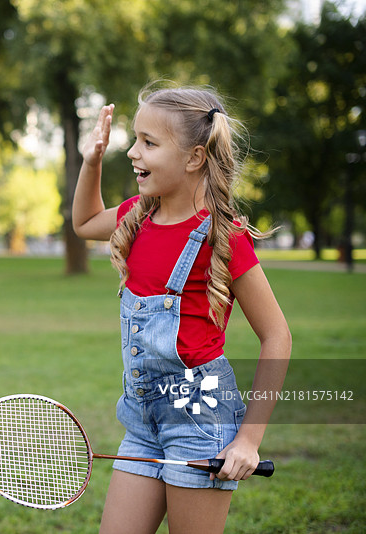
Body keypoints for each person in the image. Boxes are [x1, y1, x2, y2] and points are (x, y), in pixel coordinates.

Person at [72, 85, 291, 533]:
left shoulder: (223, 238)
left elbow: (278, 337)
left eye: (149, 143)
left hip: (200, 421)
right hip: (141, 421)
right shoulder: (137, 215)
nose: (133, 152)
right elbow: (83, 222)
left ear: (194, 157)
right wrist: (91, 161)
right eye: (134, 139)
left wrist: (249, 440)